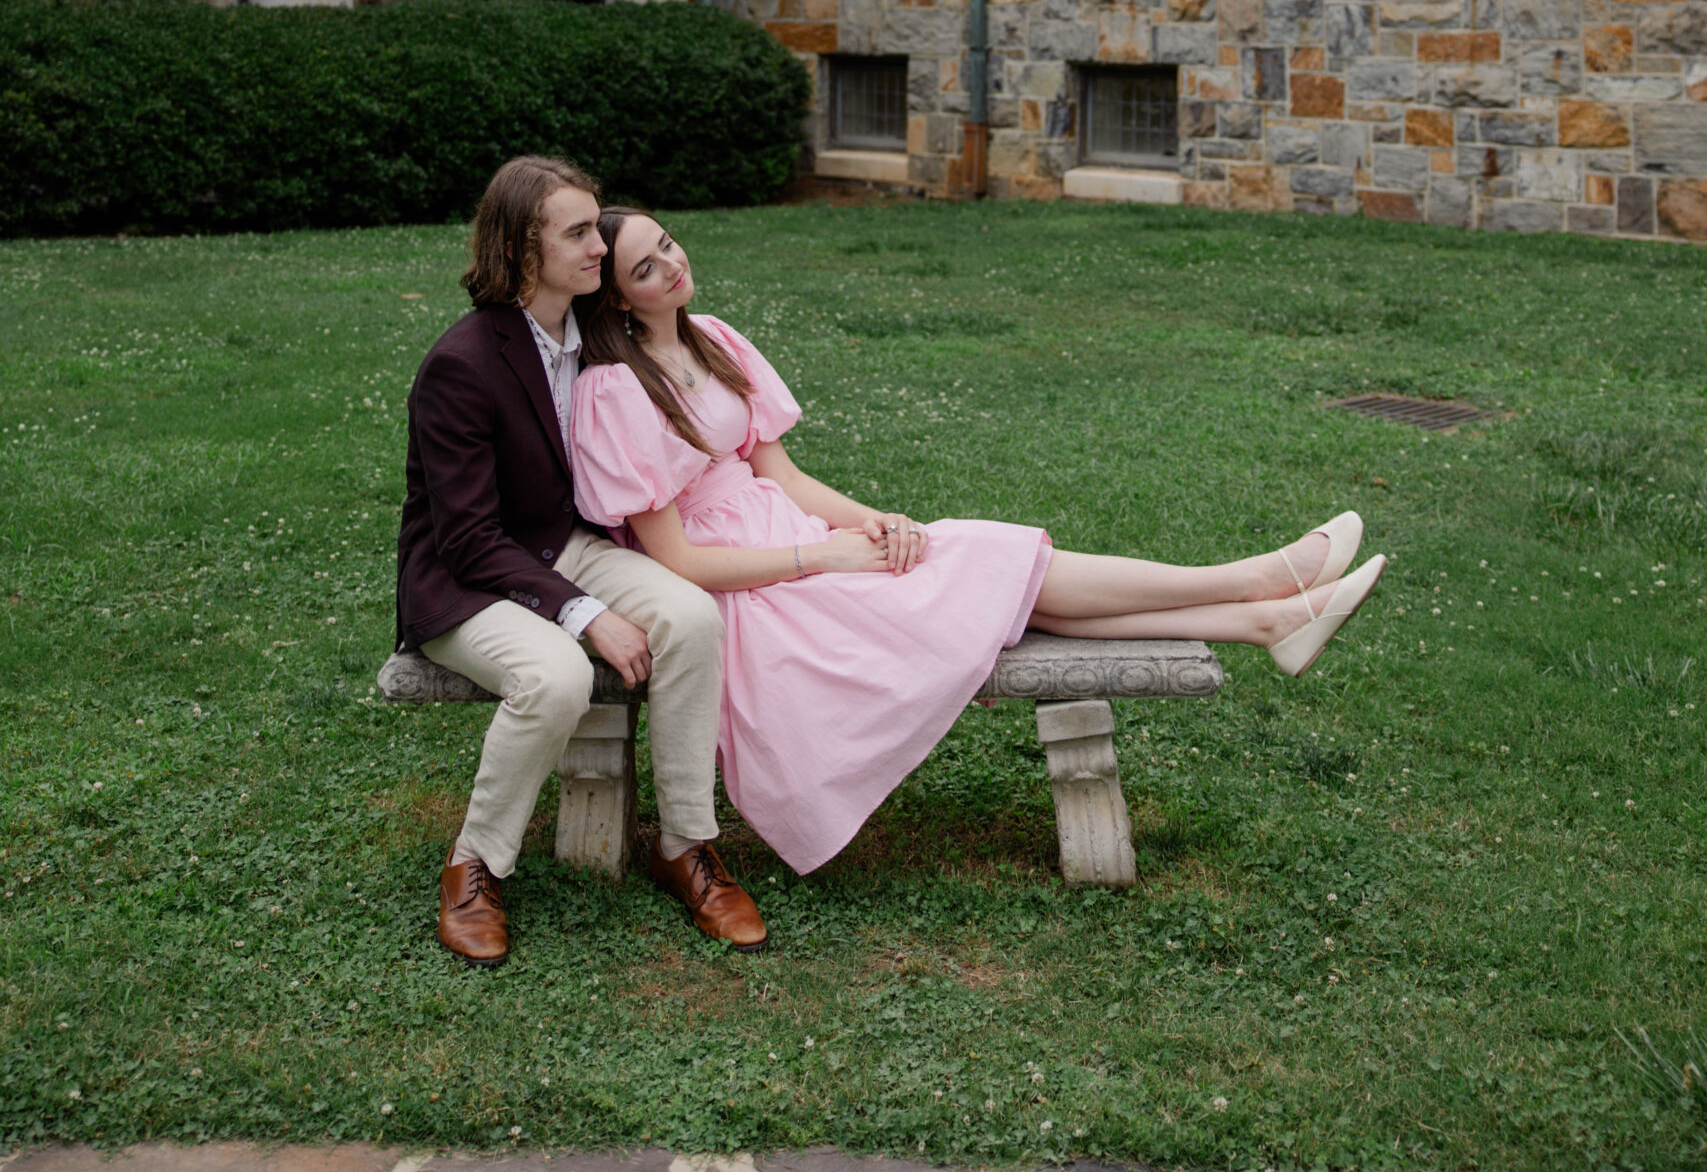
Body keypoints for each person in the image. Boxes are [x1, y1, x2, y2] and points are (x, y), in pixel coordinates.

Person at [570, 208, 1386, 878]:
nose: (671, 265)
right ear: (614, 300)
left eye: (667, 243)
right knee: (991, 565)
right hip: (748, 589)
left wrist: (870, 521)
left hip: (797, 541)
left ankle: (1264, 620)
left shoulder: (711, 336)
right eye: (644, 268)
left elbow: (778, 476)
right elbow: (674, 560)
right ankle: (1258, 584)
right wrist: (820, 557)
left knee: (974, 565)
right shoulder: (615, 389)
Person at [393, 157, 767, 966]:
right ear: (522, 254)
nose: (597, 245)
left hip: (562, 548)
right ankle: (475, 865)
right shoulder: (462, 365)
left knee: (691, 617)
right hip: (464, 582)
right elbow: (465, 538)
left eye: (594, 225)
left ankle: (684, 846)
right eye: (575, 233)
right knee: (555, 677)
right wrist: (584, 614)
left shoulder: (594, 338)